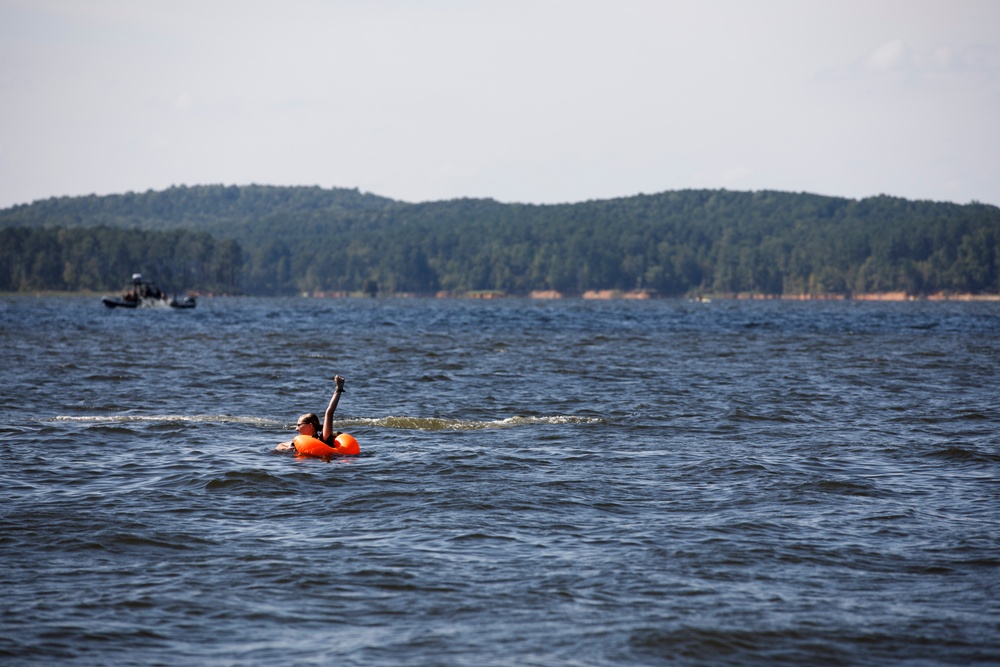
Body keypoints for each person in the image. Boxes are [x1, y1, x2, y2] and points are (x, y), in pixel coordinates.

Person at [275, 375, 346, 452]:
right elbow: (279, 445)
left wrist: (338, 390)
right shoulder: (299, 442)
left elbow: (329, 412)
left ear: (310, 426)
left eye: (299, 425)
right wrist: (288, 448)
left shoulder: (323, 438)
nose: (296, 429)